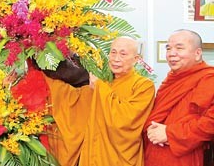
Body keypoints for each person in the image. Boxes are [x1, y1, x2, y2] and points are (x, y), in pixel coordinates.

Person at [44, 36, 155, 166]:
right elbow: (72, 100)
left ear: (136, 59)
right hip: (94, 157)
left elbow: (125, 120)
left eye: (123, 54)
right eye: (113, 52)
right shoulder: (104, 82)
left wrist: (100, 87)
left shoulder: (143, 86)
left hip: (122, 159)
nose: (116, 58)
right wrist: (40, 76)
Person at [144, 29, 214, 166]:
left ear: (198, 53)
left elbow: (210, 123)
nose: (171, 53)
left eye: (179, 48)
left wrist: (170, 134)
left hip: (184, 156)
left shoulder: (209, 79)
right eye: (168, 48)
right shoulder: (170, 80)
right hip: (153, 153)